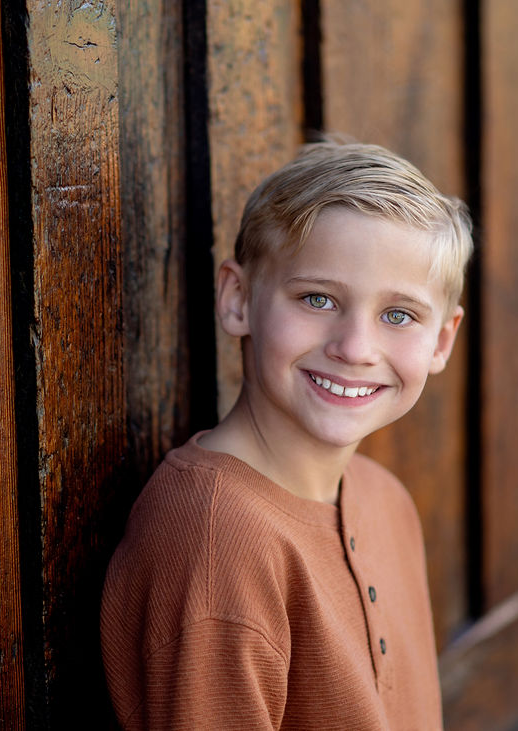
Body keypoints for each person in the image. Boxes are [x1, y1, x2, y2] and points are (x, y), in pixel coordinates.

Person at [101, 139, 472, 730]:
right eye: (317, 299)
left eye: (397, 315)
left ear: (442, 341)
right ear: (238, 298)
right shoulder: (216, 539)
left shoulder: (385, 499)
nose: (354, 348)